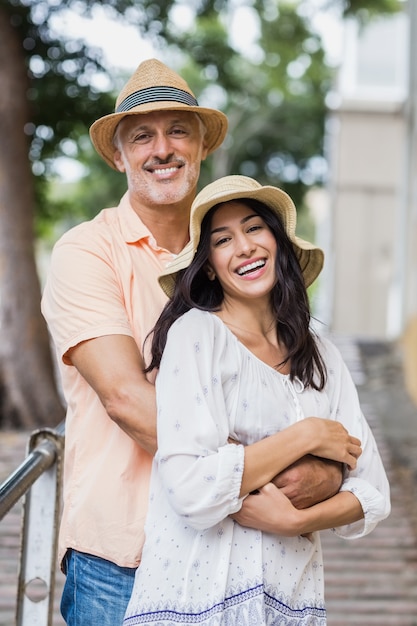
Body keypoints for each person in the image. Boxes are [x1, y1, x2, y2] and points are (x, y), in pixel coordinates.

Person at [41, 59, 342, 625]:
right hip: (124, 559)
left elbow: (303, 394)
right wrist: (276, 468)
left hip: (241, 559)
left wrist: (323, 470)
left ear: (201, 146)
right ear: (118, 155)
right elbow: (127, 399)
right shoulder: (87, 252)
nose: (163, 149)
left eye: (179, 130)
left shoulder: (238, 258)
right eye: (142, 136)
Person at [123, 175, 391, 626]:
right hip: (197, 598)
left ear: (278, 243)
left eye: (254, 228)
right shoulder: (197, 336)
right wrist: (307, 436)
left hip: (290, 599)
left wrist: (288, 520)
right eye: (222, 240)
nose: (244, 247)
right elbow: (190, 487)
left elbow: (372, 493)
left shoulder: (321, 354)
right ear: (208, 265)